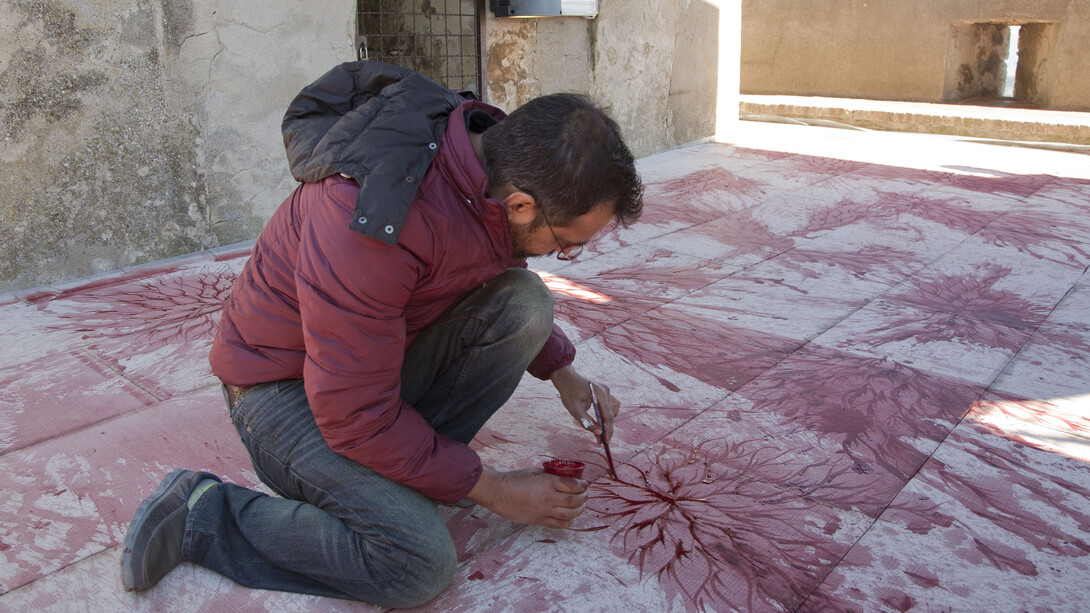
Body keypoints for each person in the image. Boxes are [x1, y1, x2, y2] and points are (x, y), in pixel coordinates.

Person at [119, 60, 643, 607]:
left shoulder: (488, 160)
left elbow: (495, 262)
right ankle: (201, 514)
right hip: (280, 391)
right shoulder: (370, 211)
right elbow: (354, 414)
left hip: (365, 372)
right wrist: (495, 490)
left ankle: (404, 477)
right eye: (565, 243)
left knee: (527, 304)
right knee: (416, 563)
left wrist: (563, 371)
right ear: (521, 206)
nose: (563, 254)